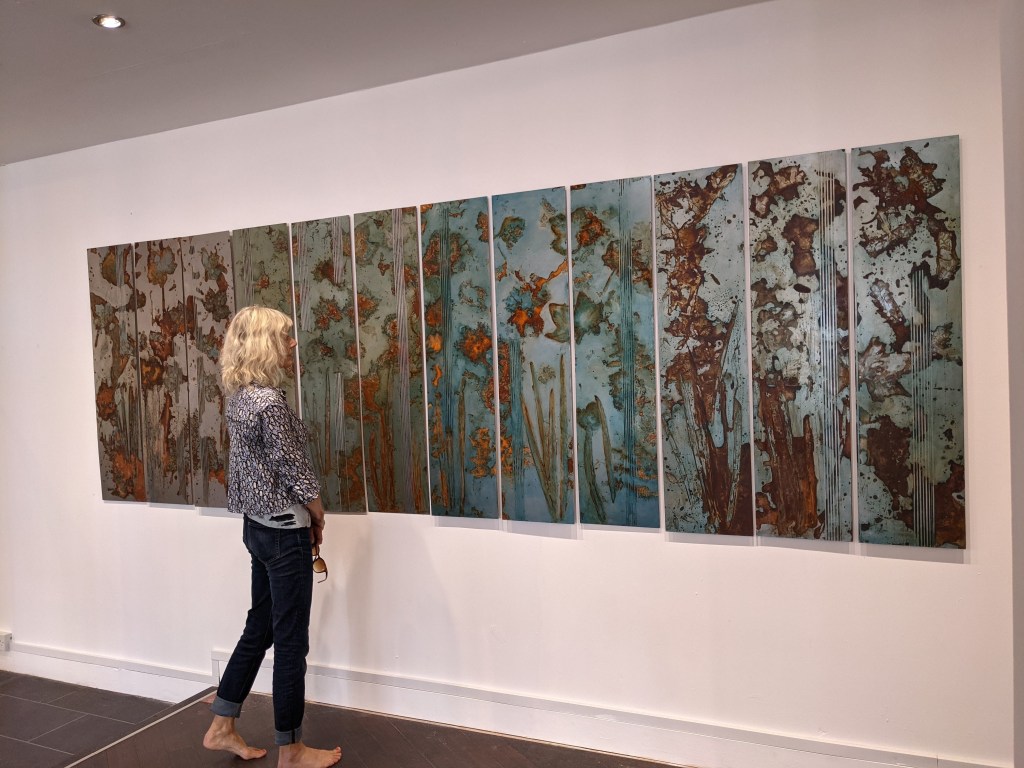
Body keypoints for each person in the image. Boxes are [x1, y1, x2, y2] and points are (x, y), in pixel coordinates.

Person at [203, 305, 341, 768]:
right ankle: (293, 749)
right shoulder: (270, 404)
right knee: (290, 642)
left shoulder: (241, 398)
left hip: (257, 529)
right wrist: (317, 511)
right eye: (285, 336)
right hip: (285, 535)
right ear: (265, 343)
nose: (293, 344)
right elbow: (293, 469)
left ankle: (222, 725)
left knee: (260, 627)